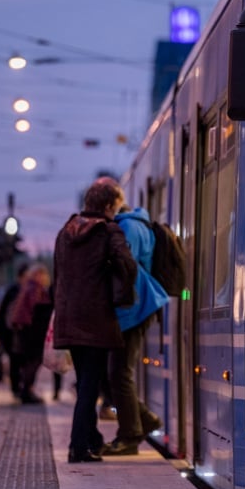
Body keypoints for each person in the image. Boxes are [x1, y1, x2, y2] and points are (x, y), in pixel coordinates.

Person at [52, 176, 138, 463]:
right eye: (116, 205)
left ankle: (92, 439)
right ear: (109, 205)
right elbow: (127, 265)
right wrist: (121, 296)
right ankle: (78, 447)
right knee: (90, 385)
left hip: (69, 316)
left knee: (86, 379)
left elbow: (58, 276)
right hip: (97, 318)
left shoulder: (66, 231)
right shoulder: (108, 231)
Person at [105, 189, 171, 455]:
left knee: (119, 373)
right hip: (138, 305)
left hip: (135, 307)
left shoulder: (128, 227)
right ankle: (143, 421)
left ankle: (131, 434)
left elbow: (125, 269)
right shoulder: (134, 224)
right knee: (117, 372)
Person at [8, 263, 53, 404]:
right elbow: (34, 311)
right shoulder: (34, 289)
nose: (45, 277)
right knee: (33, 362)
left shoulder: (28, 288)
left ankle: (27, 390)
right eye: (42, 274)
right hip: (33, 333)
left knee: (31, 362)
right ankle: (26, 390)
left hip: (28, 332)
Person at [0, 277, 23, 398]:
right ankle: (16, 387)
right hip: (13, 333)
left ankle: (16, 387)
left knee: (14, 361)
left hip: (10, 333)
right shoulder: (15, 291)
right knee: (15, 360)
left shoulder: (13, 291)